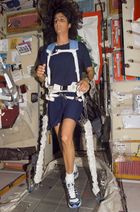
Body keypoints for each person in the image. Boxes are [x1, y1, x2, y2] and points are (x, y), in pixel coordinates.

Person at [35, 0, 94, 208]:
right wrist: (40, 75)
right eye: (55, 20)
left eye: (62, 20)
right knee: (62, 140)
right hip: (54, 99)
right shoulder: (47, 50)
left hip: (73, 97)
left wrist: (88, 81)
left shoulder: (79, 47)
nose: (58, 23)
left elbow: (90, 70)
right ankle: (73, 167)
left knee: (66, 136)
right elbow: (43, 78)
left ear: (70, 24)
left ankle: (70, 183)